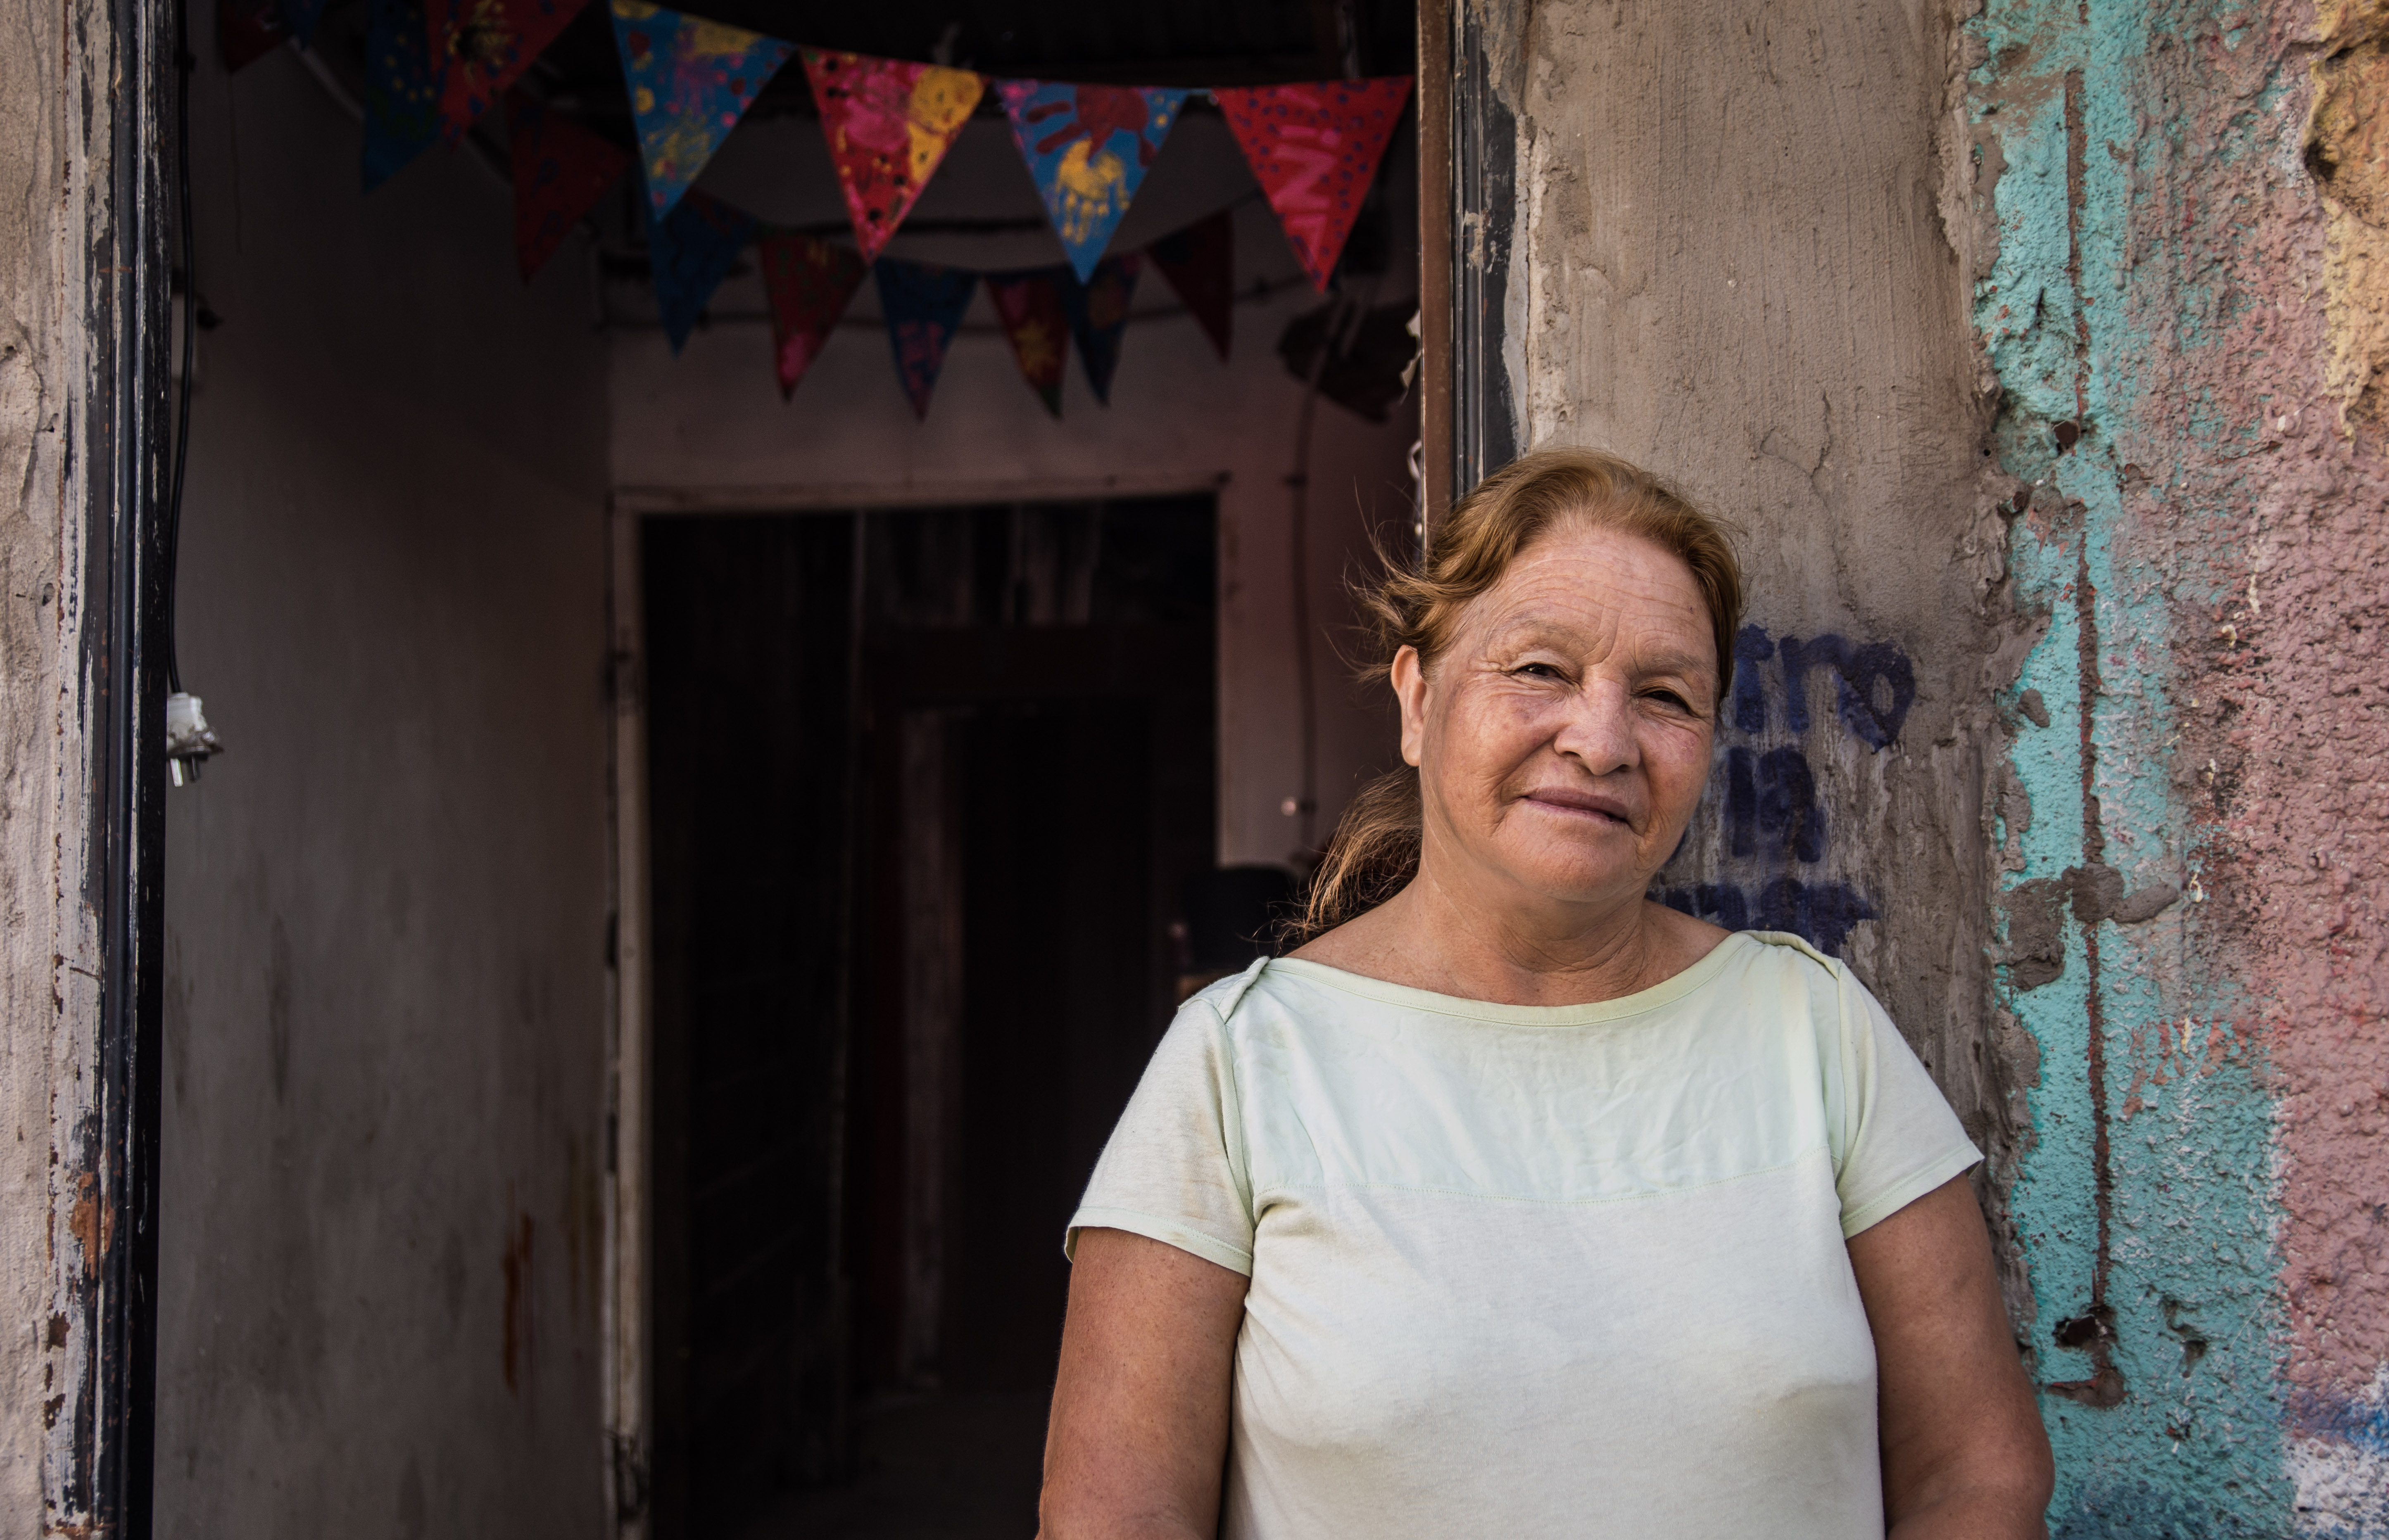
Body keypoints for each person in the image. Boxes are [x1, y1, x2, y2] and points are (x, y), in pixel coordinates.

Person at [1035, 449, 2054, 1539]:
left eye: (1664, 696)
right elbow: (1117, 1515)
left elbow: (1977, 1472)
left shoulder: (1815, 1031)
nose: (1602, 741)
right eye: (1539, 670)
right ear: (1417, 700)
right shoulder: (1239, 1063)